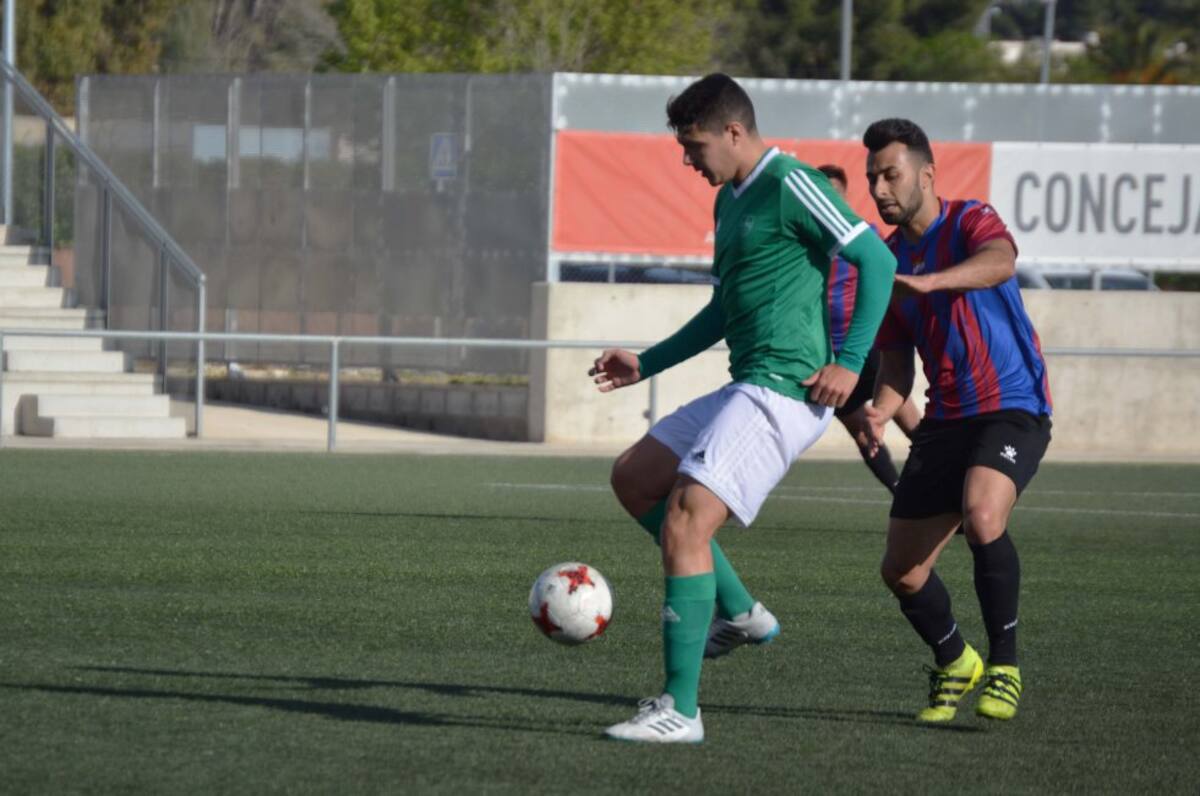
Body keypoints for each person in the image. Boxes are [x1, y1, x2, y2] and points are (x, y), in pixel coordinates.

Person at [588, 74, 897, 743]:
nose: (687, 160)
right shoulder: (728, 201)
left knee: (686, 521)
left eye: (694, 146)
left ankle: (681, 710)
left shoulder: (792, 182)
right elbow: (724, 309)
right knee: (635, 477)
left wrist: (850, 362)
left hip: (784, 391)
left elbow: (875, 259)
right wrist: (648, 362)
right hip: (748, 384)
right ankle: (738, 613)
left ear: (733, 132)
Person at [861, 118, 1052, 723]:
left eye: (890, 175)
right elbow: (897, 366)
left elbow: (1000, 262)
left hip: (1012, 405)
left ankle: (1004, 667)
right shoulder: (887, 263)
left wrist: (933, 283)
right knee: (902, 571)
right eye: (872, 179)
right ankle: (954, 659)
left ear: (926, 175)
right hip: (945, 418)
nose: (880, 189)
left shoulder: (971, 220)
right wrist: (881, 410)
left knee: (982, 513)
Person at [816, 163, 920, 493]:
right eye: (821, 193)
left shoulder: (866, 236)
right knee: (863, 433)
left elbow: (891, 275)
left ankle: (948, 480)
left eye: (834, 193)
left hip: (866, 347)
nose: (828, 200)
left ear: (845, 196)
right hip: (828, 358)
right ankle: (902, 494)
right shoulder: (803, 240)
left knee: (908, 420)